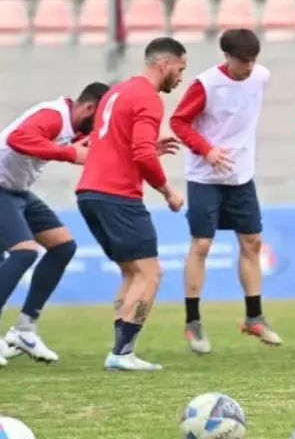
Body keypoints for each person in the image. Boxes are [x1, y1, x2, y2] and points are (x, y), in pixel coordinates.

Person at [0, 82, 108, 366]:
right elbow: (18, 139)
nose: (97, 128)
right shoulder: (53, 115)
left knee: (63, 246)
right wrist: (69, 153)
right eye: (99, 119)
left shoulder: (76, 128)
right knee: (25, 251)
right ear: (88, 108)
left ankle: (24, 328)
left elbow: (105, 149)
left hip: (15, 191)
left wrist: (142, 151)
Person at [76, 38, 188, 371]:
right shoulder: (148, 99)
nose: (181, 78)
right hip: (117, 194)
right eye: (181, 70)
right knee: (151, 273)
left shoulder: (116, 92)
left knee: (131, 272)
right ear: (164, 65)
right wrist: (168, 190)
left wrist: (148, 145)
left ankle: (120, 350)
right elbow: (139, 155)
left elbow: (114, 140)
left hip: (89, 193)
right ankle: (122, 352)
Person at [169, 29, 281, 354]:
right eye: (243, 60)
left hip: (241, 176)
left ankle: (254, 317)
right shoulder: (206, 84)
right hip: (205, 176)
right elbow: (178, 122)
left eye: (253, 60)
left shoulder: (261, 76)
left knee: (252, 242)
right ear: (227, 57)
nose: (249, 66)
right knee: (202, 244)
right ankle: (193, 322)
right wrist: (207, 150)